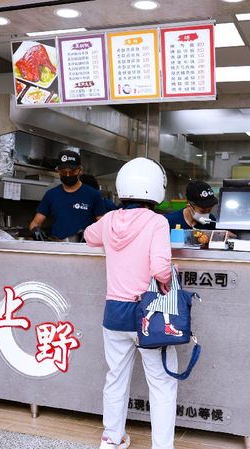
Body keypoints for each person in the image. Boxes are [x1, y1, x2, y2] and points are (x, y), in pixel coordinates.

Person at [84, 157, 178, 449]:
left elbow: (89, 236)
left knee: (115, 378)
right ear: (155, 189)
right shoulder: (157, 222)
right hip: (147, 313)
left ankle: (112, 439)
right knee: (162, 383)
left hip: (114, 313)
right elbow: (161, 268)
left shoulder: (110, 219)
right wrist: (164, 282)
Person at [29, 150, 105, 241]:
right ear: (58, 171)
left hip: (84, 249)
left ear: (80, 170)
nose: (68, 175)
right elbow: (35, 223)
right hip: (58, 249)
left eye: (72, 172)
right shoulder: (51, 195)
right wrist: (35, 232)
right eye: (64, 172)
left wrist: (89, 236)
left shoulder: (93, 195)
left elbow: (103, 226)